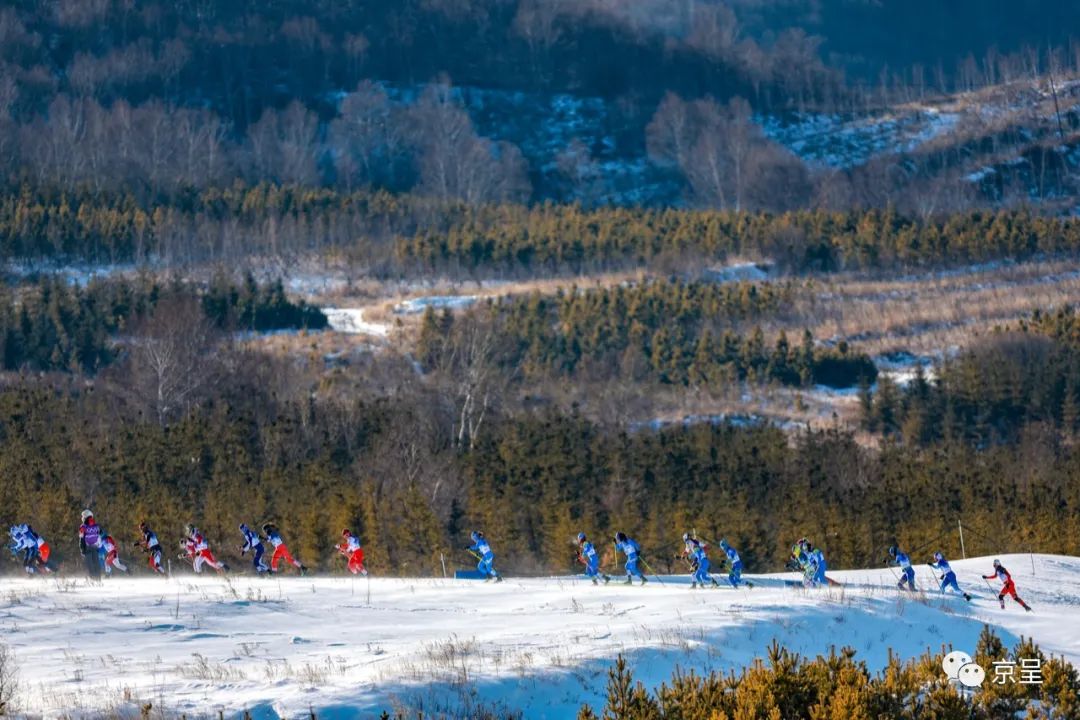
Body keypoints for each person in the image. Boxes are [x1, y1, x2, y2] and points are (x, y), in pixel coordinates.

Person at [79, 510, 104, 580]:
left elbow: (81, 538)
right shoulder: (97, 526)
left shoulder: (83, 526)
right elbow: (101, 533)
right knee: (96, 563)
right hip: (96, 547)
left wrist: (82, 549)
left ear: (84, 517)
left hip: (87, 547)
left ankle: (93, 579)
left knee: (90, 564)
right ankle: (98, 579)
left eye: (82, 517)